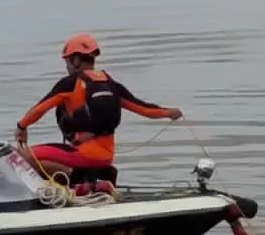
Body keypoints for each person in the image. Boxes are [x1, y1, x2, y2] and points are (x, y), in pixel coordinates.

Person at [14, 33, 182, 181]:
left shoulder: (70, 83)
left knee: (19, 159)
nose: (67, 66)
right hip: (106, 156)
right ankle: (95, 179)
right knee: (44, 163)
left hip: (83, 155)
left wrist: (22, 126)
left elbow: (39, 109)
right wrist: (169, 113)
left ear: (76, 60)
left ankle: (80, 186)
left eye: (67, 61)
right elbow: (145, 109)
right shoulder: (111, 84)